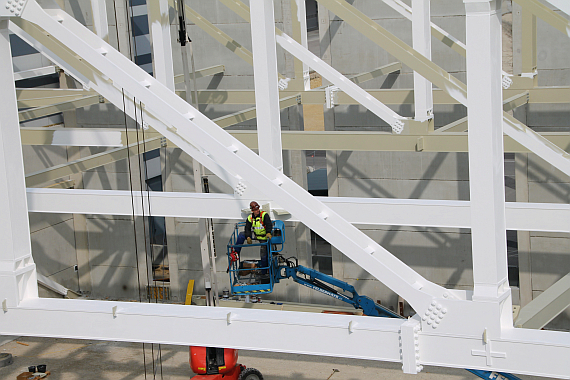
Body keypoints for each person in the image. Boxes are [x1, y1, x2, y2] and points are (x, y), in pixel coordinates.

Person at [233, 201, 272, 271]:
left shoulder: (264, 215)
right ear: (252, 211)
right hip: (256, 235)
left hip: (263, 237)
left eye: (258, 209)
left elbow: (269, 224)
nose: (257, 211)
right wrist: (248, 237)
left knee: (263, 254)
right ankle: (236, 253)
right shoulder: (250, 218)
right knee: (242, 235)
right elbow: (247, 228)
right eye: (255, 210)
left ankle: (264, 272)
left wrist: (268, 232)